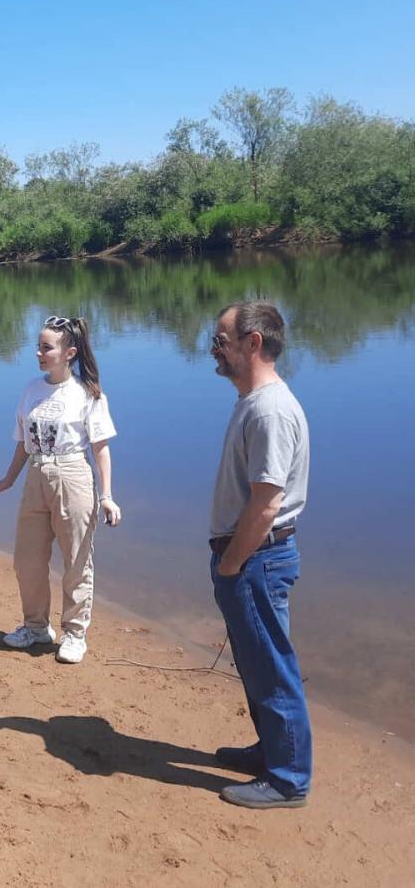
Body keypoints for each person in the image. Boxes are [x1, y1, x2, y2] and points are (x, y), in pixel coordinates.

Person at [208, 301, 311, 809]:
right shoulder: (254, 402)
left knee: (271, 668)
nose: (213, 349)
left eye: (221, 340)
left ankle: (289, 779)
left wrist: (231, 564)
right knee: (257, 664)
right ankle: (272, 751)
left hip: (258, 558)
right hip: (252, 557)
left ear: (253, 343)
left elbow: (267, 503)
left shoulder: (269, 409)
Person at [0, 316, 121, 664]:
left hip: (73, 476)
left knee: (76, 562)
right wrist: (8, 479)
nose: (39, 353)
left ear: (69, 352)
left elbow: (100, 448)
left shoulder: (88, 394)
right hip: (35, 476)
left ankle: (75, 633)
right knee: (27, 561)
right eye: (39, 346)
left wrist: (107, 496)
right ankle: (36, 627)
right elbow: (23, 443)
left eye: (46, 347)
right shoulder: (31, 389)